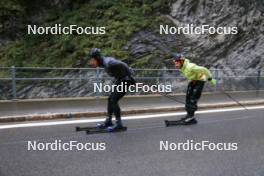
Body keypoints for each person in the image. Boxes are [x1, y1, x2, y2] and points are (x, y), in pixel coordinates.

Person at [89, 48, 135, 131]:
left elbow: (122, 64)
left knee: (114, 99)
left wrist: (130, 75)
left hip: (126, 80)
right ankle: (109, 121)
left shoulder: (108, 63)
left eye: (93, 60)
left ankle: (119, 124)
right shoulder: (104, 63)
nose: (92, 62)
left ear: (98, 58)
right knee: (110, 99)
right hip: (121, 80)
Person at [172, 53, 216, 125]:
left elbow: (204, 69)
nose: (175, 64)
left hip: (200, 80)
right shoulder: (182, 67)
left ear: (182, 61)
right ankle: (188, 115)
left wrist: (210, 78)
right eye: (174, 62)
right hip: (193, 80)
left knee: (193, 98)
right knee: (188, 97)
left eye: (177, 62)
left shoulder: (190, 67)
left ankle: (191, 117)